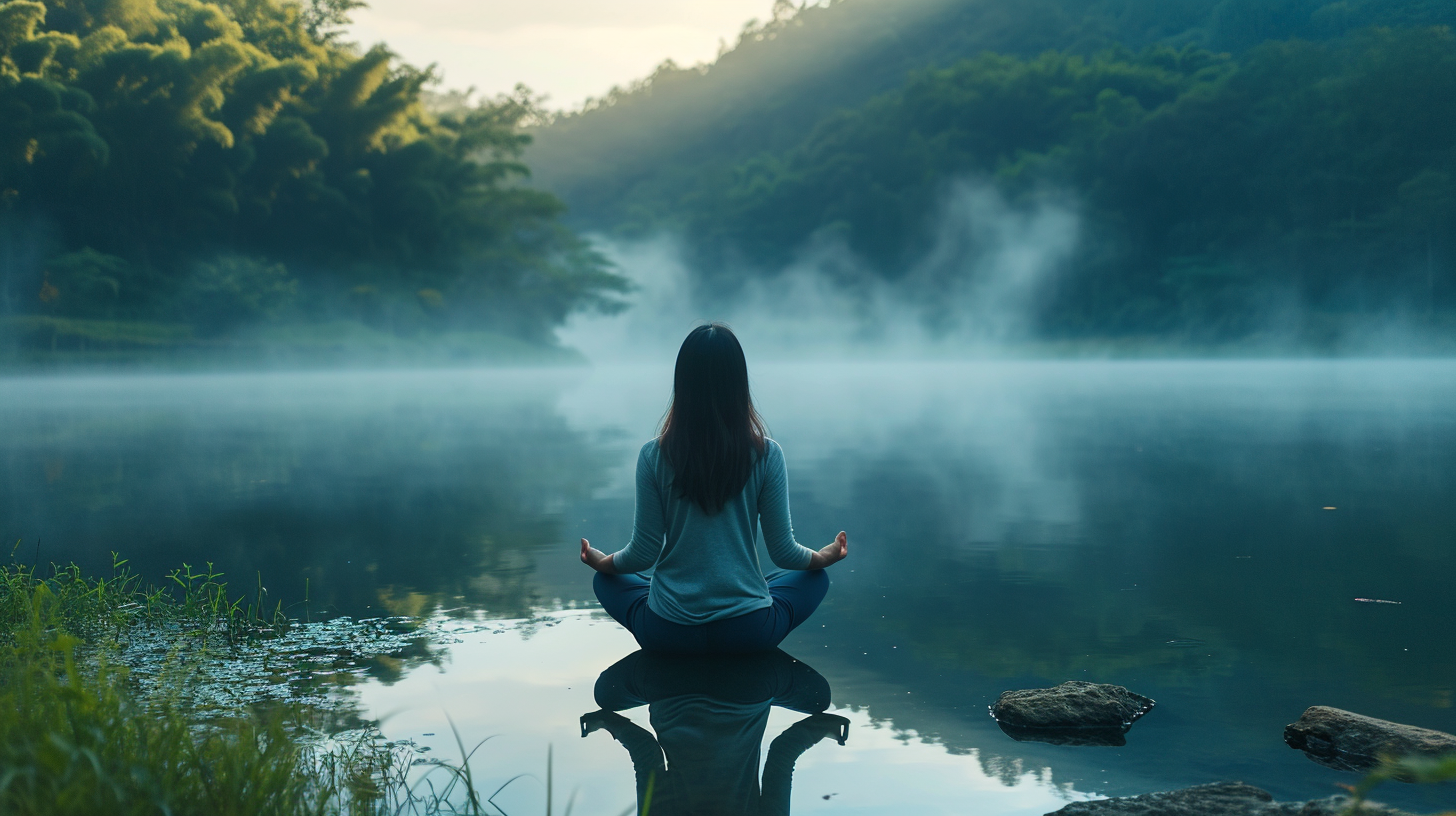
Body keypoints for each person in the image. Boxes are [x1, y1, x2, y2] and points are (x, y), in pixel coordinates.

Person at [580, 323, 849, 653]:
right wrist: (825, 556)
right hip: (749, 633)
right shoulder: (767, 454)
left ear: (682, 383)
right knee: (813, 577)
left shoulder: (653, 455)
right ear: (739, 384)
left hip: (668, 633)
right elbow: (784, 553)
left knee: (608, 581)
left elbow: (642, 554)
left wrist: (602, 563)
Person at [581, 649, 850, 816]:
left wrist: (821, 728)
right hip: (667, 674)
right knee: (607, 696)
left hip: (751, 677)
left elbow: (782, 754)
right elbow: (645, 752)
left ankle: (752, 638)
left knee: (817, 699)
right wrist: (607, 723)